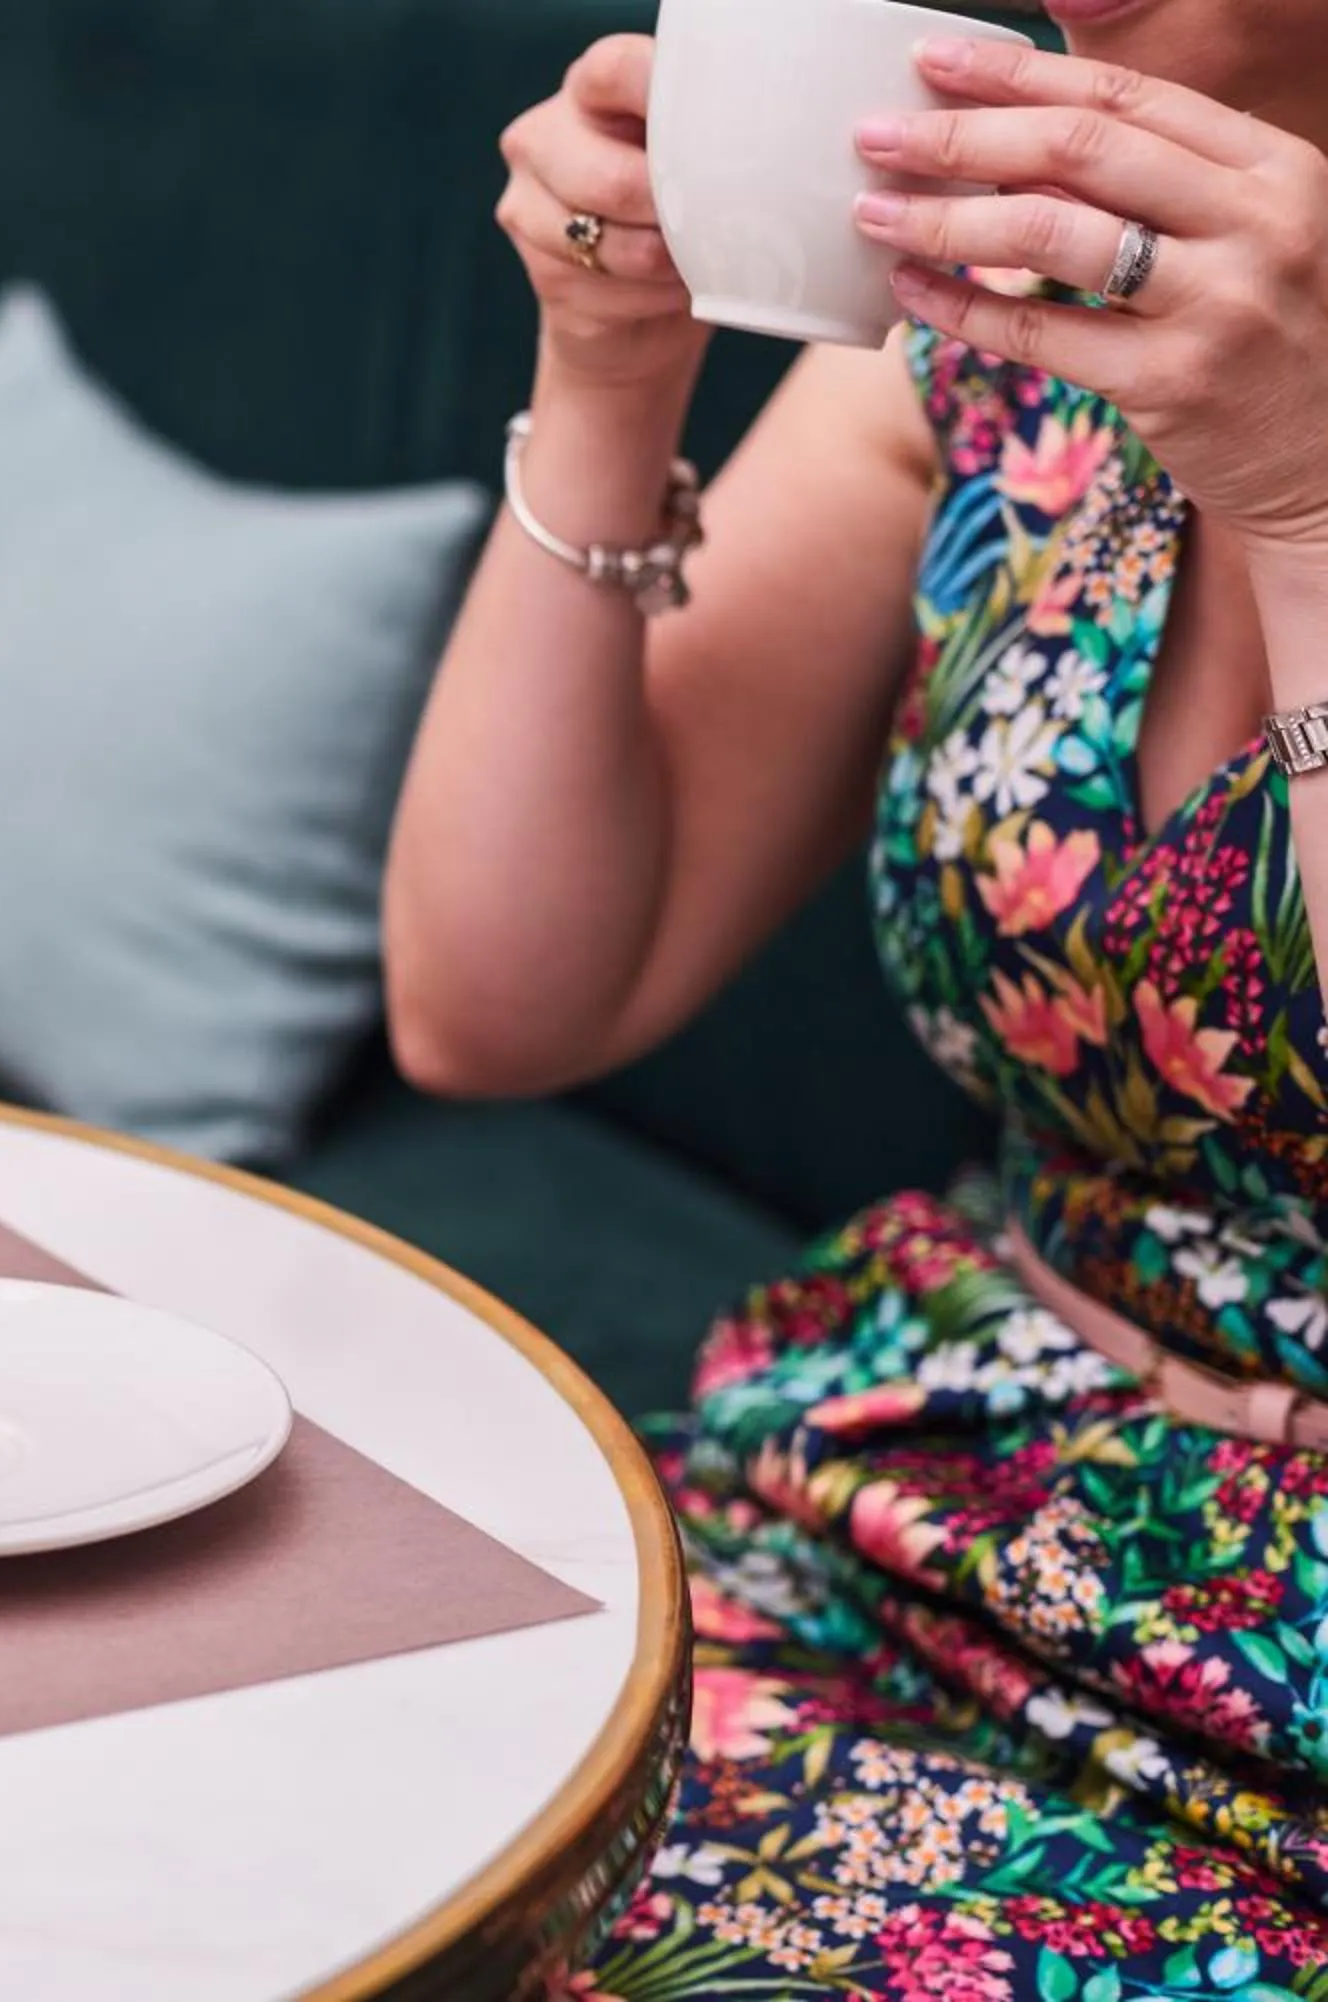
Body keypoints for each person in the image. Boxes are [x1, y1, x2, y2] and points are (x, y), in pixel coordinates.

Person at [389, 9, 1328, 1995]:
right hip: (921, 1490)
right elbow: (501, 999)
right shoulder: (1008, 323)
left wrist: (1316, 510)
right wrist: (607, 374)